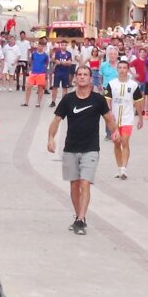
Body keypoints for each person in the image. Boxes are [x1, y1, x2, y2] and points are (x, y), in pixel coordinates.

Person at [48, 67, 118, 236]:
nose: (82, 77)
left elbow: (109, 118)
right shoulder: (68, 99)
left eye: (85, 75)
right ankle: (79, 215)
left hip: (91, 148)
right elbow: (56, 120)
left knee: (85, 182)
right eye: (79, 75)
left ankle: (80, 219)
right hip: (71, 147)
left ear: (90, 79)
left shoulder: (98, 100)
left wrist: (115, 132)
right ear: (75, 79)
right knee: (74, 185)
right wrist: (51, 138)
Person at [105, 59, 144, 180]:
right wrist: (109, 113)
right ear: (117, 69)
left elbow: (138, 102)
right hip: (114, 120)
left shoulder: (133, 85)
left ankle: (124, 170)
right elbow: (107, 99)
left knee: (125, 141)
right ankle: (119, 167)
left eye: (124, 68)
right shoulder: (111, 84)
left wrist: (140, 118)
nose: (122, 70)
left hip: (127, 118)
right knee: (117, 143)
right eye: (120, 68)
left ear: (128, 70)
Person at [23, 39, 49, 107]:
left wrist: (46, 74)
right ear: (38, 46)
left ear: (44, 47)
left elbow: (46, 64)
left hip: (41, 73)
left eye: (42, 46)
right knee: (29, 87)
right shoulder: (34, 54)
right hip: (33, 73)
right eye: (39, 45)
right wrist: (29, 70)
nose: (40, 47)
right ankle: (26, 102)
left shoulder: (45, 56)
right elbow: (31, 62)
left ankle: (38, 103)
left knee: (40, 88)